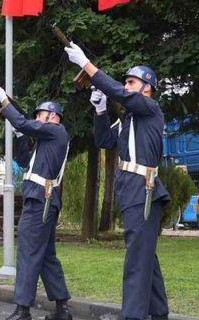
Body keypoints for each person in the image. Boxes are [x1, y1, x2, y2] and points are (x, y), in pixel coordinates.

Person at [65, 42, 170, 320]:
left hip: (144, 188)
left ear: (147, 87)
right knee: (143, 253)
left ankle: (132, 315)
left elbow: (120, 94)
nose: (126, 85)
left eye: (132, 81)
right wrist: (100, 111)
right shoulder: (128, 119)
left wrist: (86, 64)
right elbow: (104, 141)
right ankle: (158, 313)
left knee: (136, 257)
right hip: (131, 188)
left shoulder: (149, 108)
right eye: (126, 81)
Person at [0, 85, 73, 320]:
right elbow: (25, 160)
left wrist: (5, 102)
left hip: (41, 201)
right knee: (45, 255)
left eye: (40, 116)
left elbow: (24, 123)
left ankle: (23, 309)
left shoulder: (57, 131)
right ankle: (62, 308)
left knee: (28, 252)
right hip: (40, 199)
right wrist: (19, 136)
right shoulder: (46, 142)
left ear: (53, 117)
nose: (37, 119)